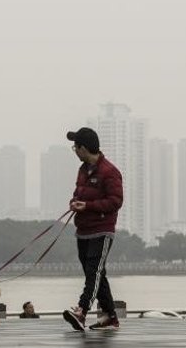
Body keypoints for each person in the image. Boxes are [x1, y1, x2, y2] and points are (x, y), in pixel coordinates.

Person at [62, 127, 124, 331]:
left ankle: (82, 311)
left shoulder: (110, 172)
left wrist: (88, 206)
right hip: (83, 230)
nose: (75, 151)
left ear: (84, 148)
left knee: (93, 271)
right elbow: (78, 193)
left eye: (75, 147)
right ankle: (110, 316)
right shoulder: (82, 170)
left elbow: (115, 202)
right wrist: (75, 202)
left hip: (102, 230)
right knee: (96, 274)